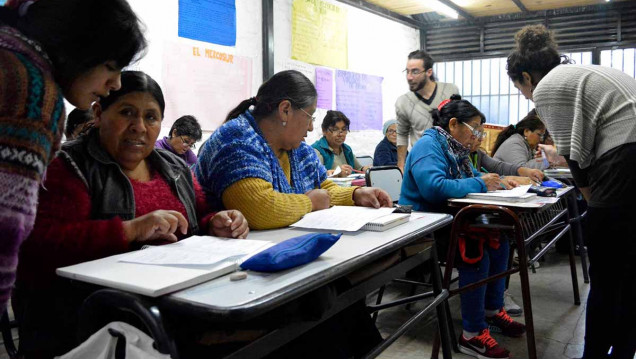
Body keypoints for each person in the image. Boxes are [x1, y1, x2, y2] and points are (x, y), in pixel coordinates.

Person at [14, 71, 249, 358]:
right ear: (99, 113)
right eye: (127, 113)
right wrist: (129, 231)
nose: (139, 127)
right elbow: (40, 247)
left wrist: (216, 222)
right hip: (102, 322)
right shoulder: (68, 166)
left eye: (151, 118)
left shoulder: (174, 167)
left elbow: (200, 213)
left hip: (180, 301)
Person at [0, 0, 146, 313]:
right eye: (110, 66)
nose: (116, 83)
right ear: (78, 47)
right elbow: (6, 227)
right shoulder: (30, 90)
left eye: (151, 117)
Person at [507, 24, 636, 359]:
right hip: (627, 156)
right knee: (628, 275)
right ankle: (622, 351)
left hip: (625, 158)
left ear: (526, 76)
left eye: (522, 89)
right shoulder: (581, 72)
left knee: (606, 276)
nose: (527, 97)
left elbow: (575, 156)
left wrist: (593, 203)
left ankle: (593, 354)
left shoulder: (547, 87)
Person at [399, 95, 525, 359]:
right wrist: (482, 183)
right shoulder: (428, 145)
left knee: (500, 240)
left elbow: (468, 177)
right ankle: (472, 334)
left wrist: (499, 180)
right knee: (475, 250)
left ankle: (491, 311)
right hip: (425, 227)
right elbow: (434, 188)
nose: (478, 135)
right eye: (475, 129)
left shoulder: (456, 148)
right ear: (454, 124)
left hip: (450, 221)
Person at [195, 70, 392, 231]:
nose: (310, 128)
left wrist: (356, 194)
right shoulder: (237, 139)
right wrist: (309, 203)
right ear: (285, 110)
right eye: (310, 116)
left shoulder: (298, 150)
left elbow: (323, 190)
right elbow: (257, 209)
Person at [395, 50, 459, 172]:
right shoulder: (403, 102)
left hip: (450, 160)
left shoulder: (450, 91)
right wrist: (401, 166)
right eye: (407, 71)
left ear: (429, 72)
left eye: (415, 71)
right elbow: (402, 135)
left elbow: (459, 123)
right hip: (422, 161)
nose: (409, 77)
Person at [470, 129, 544, 185]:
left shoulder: (477, 152)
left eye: (482, 134)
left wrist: (525, 171)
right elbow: (468, 177)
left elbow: (496, 166)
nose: (481, 139)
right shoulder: (515, 142)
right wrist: (507, 178)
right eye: (476, 132)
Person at [312, 110, 369, 177]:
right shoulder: (316, 151)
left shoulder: (346, 149)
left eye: (344, 129)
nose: (340, 134)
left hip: (349, 186)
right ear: (324, 130)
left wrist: (364, 169)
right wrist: (337, 172)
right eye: (335, 129)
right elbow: (315, 177)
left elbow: (358, 169)